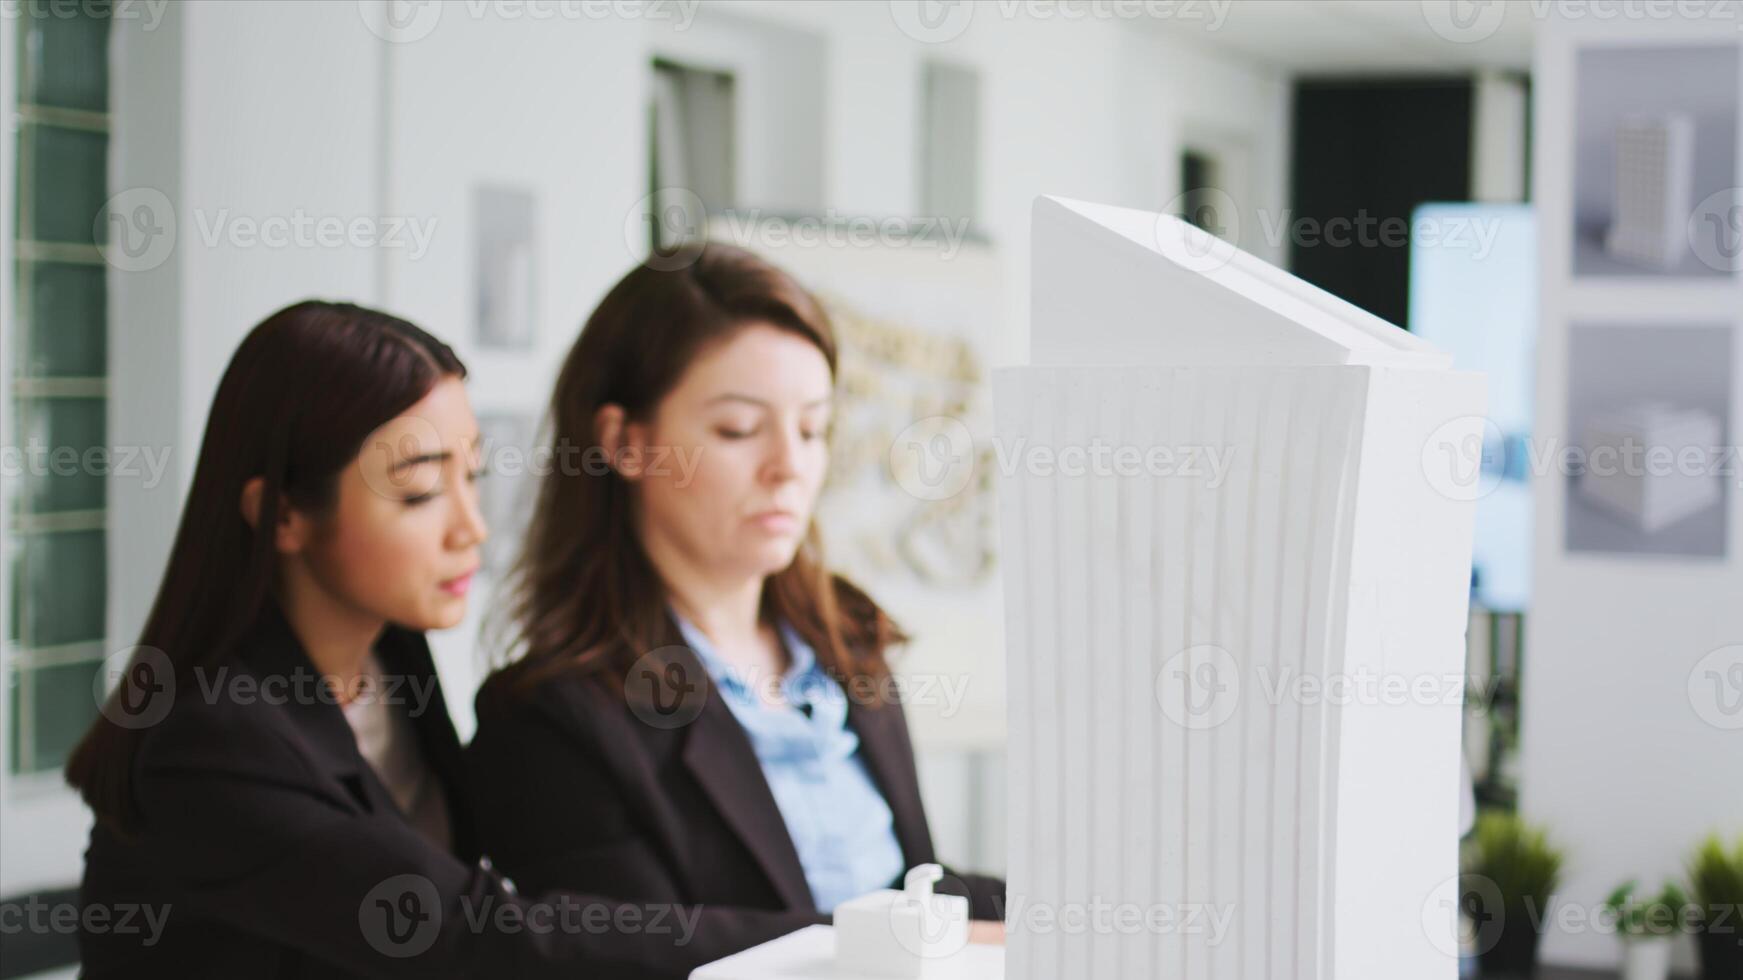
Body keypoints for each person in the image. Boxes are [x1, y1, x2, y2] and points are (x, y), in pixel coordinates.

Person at [66, 300, 822, 979]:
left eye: (473, 476)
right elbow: (474, 935)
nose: (472, 529)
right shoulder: (210, 740)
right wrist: (826, 943)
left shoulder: (390, 662)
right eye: (422, 491)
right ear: (284, 514)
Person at [465, 243, 1006, 974]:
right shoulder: (551, 720)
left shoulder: (849, 641)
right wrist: (921, 936)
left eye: (812, 429)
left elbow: (911, 885)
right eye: (738, 431)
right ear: (624, 443)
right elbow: (634, 959)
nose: (789, 465)